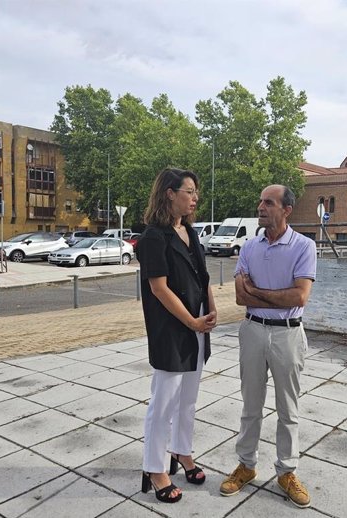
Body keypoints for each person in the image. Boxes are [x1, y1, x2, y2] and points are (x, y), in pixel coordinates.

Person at [220, 184, 317, 508]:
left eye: (269, 202)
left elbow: (299, 296)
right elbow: (239, 296)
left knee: (288, 409)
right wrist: (274, 295)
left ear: (286, 209)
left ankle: (286, 471)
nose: (261, 207)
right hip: (252, 331)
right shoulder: (249, 247)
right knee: (250, 406)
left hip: (288, 335)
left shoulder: (304, 246)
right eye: (260, 201)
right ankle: (246, 466)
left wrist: (258, 293)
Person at [137, 167, 218, 504]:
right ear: (170, 193)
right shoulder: (153, 237)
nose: (194, 198)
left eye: (195, 192)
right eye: (189, 191)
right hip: (172, 329)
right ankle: (156, 468)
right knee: (164, 402)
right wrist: (192, 322)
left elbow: (203, 276)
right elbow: (159, 289)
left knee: (189, 398)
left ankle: (182, 451)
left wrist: (210, 311)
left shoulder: (190, 232)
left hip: (198, 325)